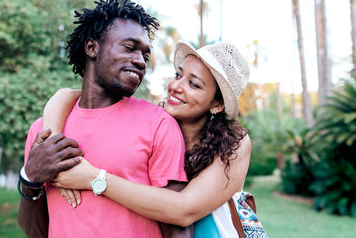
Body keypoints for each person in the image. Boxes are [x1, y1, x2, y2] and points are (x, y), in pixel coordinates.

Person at [45, 41, 267, 237]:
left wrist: (93, 179)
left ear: (217, 104)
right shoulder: (157, 120)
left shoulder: (234, 143)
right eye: (178, 75)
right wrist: (52, 149)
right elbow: (66, 95)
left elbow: (184, 210)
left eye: (194, 84)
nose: (176, 87)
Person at [17, 0, 188, 238]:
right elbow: (36, 232)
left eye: (145, 55)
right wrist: (30, 178)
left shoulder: (159, 124)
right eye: (129, 48)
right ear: (92, 47)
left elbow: (177, 226)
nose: (140, 61)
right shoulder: (44, 131)